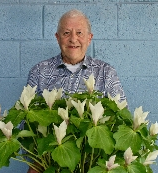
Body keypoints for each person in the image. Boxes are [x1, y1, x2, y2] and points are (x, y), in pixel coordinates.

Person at [26, 9, 126, 173]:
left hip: (95, 165)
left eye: (79, 33)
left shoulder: (106, 72)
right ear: (57, 38)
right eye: (66, 33)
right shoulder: (39, 71)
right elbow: (28, 123)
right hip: (50, 165)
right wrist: (35, 163)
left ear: (89, 38)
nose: (73, 39)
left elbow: (121, 119)